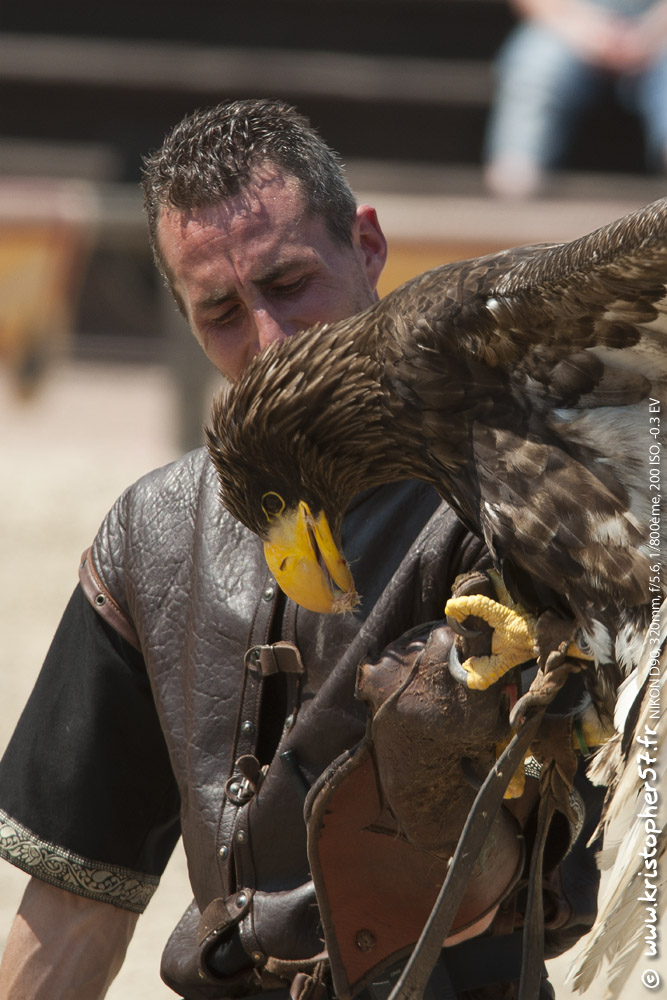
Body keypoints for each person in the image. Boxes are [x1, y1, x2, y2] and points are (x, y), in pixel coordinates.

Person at [0, 99, 600, 1000]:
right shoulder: (149, 532)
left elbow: (538, 882)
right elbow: (75, 904)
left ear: (366, 245)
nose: (269, 338)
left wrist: (473, 789)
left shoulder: (514, 492)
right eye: (220, 311)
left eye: (288, 284)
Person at [484, 0, 667, 197]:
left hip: (658, 32)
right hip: (565, 25)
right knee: (535, 63)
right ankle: (515, 176)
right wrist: (586, 31)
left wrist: (650, 33)